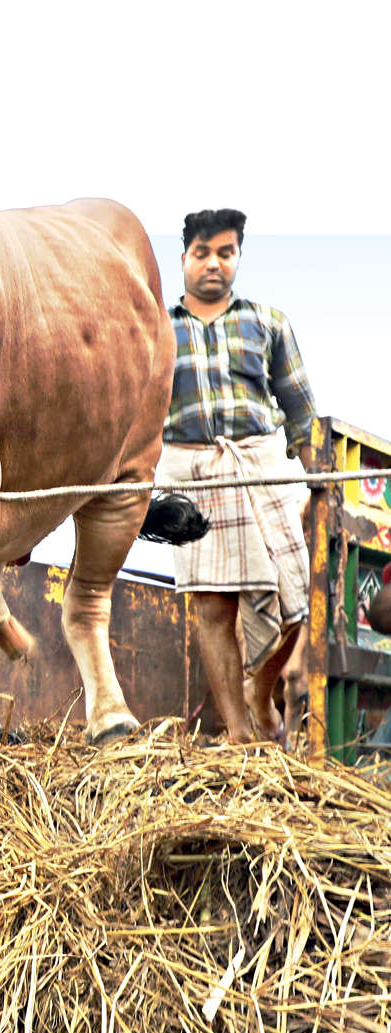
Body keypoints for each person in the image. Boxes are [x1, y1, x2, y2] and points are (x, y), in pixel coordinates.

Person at [157, 208, 318, 745]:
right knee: (212, 604)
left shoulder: (269, 323)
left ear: (238, 257)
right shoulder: (156, 330)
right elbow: (133, 415)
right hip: (192, 470)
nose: (213, 264)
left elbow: (300, 410)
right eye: (202, 253)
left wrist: (318, 475)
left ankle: (260, 691)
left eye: (225, 253)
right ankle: (239, 733)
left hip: (260, 464)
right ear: (184, 258)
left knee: (296, 592)